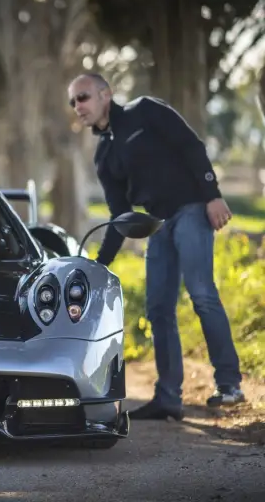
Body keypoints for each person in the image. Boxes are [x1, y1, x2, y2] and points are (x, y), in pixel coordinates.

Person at [66, 73, 245, 421]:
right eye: (73, 102)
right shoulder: (104, 155)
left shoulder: (145, 111)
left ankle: (229, 384)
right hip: (158, 224)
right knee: (157, 307)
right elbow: (120, 215)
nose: (78, 107)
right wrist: (101, 262)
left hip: (192, 208)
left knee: (201, 293)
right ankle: (168, 398)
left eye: (83, 97)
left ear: (106, 94)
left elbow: (191, 146)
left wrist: (212, 195)